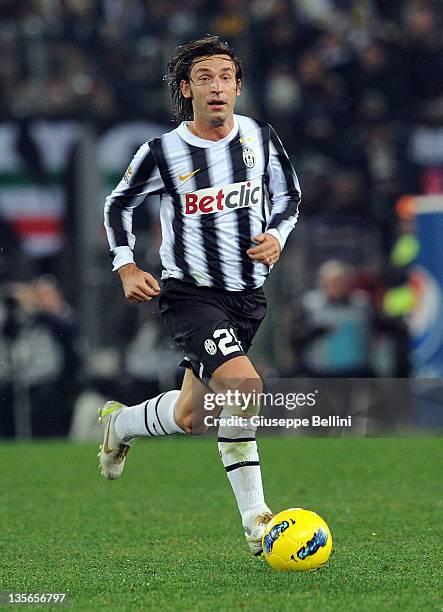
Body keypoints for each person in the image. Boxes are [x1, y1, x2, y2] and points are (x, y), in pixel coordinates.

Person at [101, 36, 301, 556]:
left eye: (225, 76)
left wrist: (277, 236)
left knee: (194, 417)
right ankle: (258, 520)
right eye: (205, 77)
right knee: (243, 387)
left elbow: (289, 195)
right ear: (187, 90)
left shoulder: (260, 135)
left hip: (248, 296)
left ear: (238, 85)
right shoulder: (163, 151)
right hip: (191, 294)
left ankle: (120, 424)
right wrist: (125, 265)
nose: (217, 86)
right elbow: (118, 205)